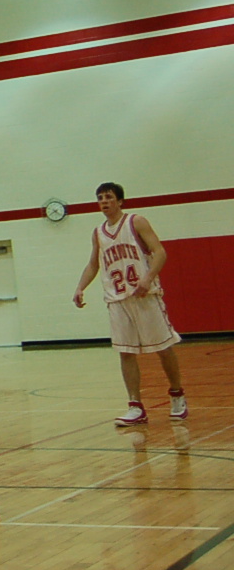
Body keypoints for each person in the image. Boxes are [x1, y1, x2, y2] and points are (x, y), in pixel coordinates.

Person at [72, 182, 187, 426]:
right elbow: (93, 264)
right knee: (125, 352)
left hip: (145, 296)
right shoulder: (98, 232)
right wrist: (80, 287)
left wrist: (147, 278)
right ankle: (135, 406)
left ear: (120, 201)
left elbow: (160, 252)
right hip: (117, 299)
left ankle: (177, 395)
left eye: (108, 197)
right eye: (100, 198)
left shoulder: (136, 222)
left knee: (164, 347)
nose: (104, 201)